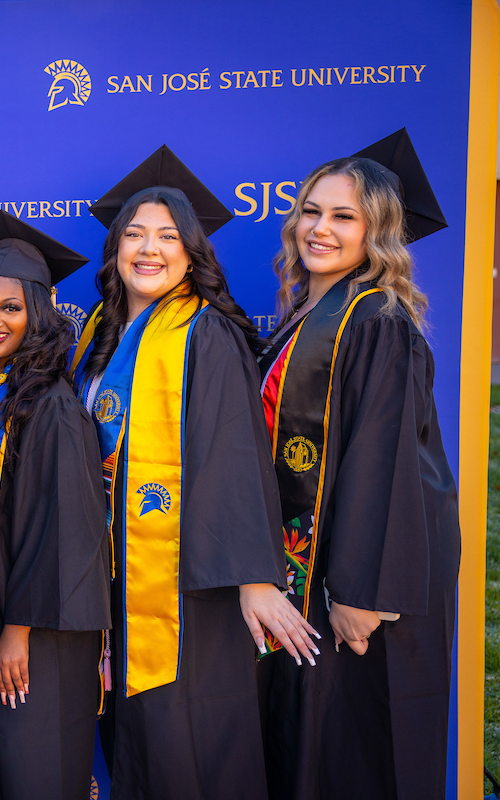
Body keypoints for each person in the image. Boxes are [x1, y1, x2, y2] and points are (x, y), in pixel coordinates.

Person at [72, 146, 318, 799]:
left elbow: (234, 455)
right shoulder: (100, 330)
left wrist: (254, 577)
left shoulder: (204, 331)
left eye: (168, 237)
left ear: (192, 254)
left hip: (187, 583)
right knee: (135, 735)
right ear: (115, 249)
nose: (149, 250)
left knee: (189, 740)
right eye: (135, 235)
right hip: (113, 573)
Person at [256, 133, 460, 800]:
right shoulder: (306, 315)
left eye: (343, 217)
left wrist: (361, 593)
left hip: (355, 585)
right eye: (311, 211)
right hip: (310, 571)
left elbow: (385, 458)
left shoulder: (377, 320)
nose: (320, 228)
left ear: (377, 232)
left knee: (353, 747)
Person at [0, 211, 110, 800]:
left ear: (37, 314)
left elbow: (62, 529)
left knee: (32, 765)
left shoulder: (50, 405)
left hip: (35, 626)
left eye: (11, 308)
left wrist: (16, 631)